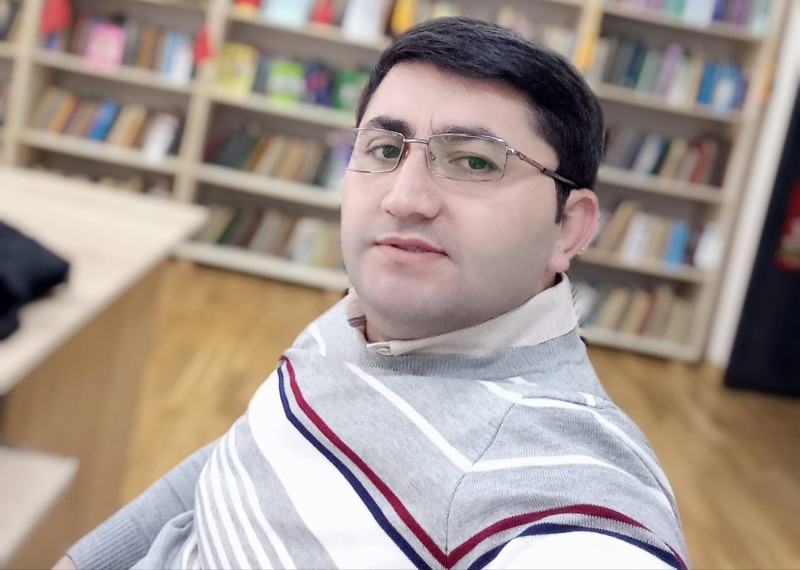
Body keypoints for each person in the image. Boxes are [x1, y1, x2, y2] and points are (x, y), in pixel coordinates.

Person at [56, 16, 688, 570]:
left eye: (475, 162)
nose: (403, 198)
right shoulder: (367, 309)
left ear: (569, 227)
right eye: (385, 148)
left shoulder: (563, 482)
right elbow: (248, 453)